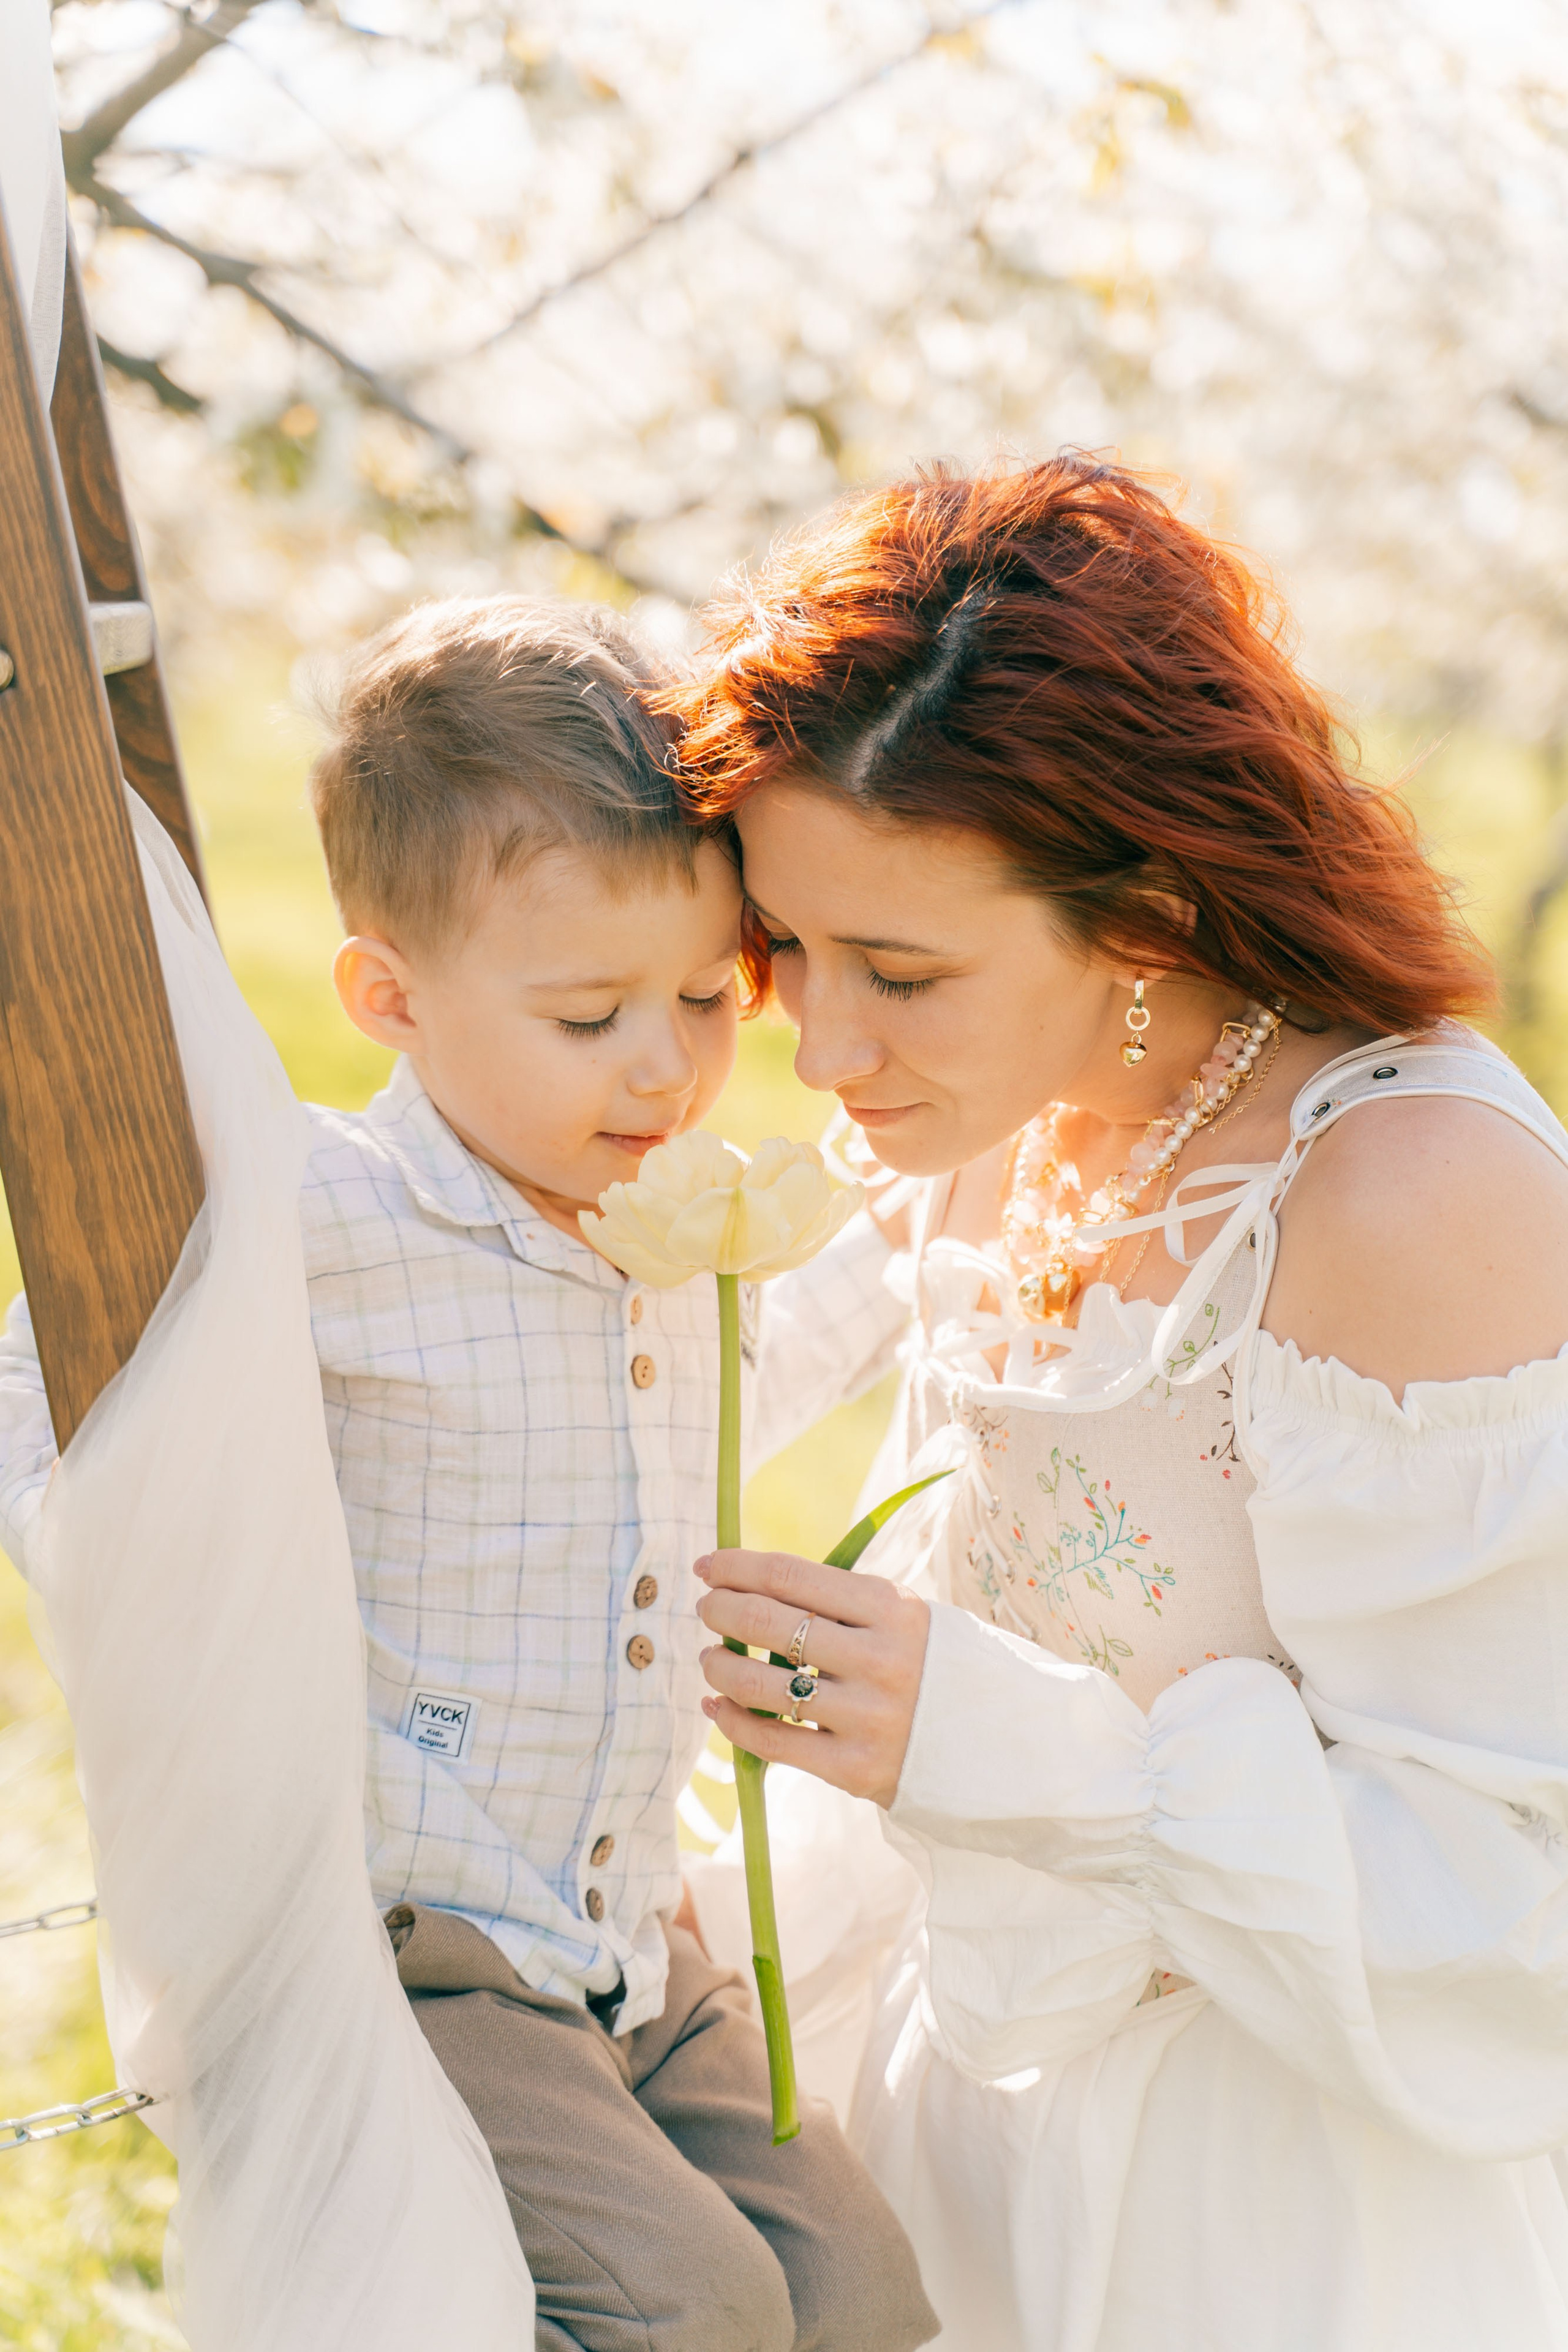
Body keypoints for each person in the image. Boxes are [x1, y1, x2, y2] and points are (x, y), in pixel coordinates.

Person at [669, 458, 1568, 2351]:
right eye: (789, 953)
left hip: (1272, 2216)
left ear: (1147, 910)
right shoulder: (1018, 1111)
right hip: (957, 2123)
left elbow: (1516, 1917)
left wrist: (1015, 1748)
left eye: (900, 970)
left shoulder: (1414, 1202)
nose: (823, 1051)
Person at [0, 597, 937, 2352]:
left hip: (628, 1944)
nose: (664, 1067)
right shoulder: (336, 1214)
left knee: (866, 2295)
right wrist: (157, 1581)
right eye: (589, 1016)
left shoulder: (661, 1228)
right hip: (432, 1943)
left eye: (695, 997)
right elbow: (55, 1393)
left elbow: (752, 1378)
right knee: (693, 2307)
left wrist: (923, 1224)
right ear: (390, 1000)